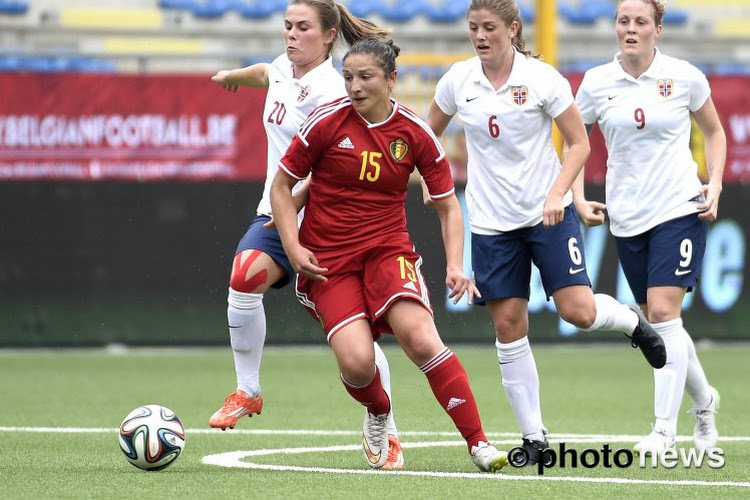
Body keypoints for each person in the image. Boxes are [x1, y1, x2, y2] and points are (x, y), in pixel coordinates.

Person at [425, 0, 667, 465]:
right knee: (508, 324)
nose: (480, 36)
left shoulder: (542, 79)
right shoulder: (458, 80)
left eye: (489, 28)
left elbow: (578, 142)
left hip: (546, 215)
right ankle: (533, 437)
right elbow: (425, 134)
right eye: (473, 27)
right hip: (493, 223)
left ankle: (632, 322)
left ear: (512, 29)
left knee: (577, 311)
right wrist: (433, 178)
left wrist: (559, 193)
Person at [270, 37, 509, 472]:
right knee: (359, 365)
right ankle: (379, 412)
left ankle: (479, 444)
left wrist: (456, 265)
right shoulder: (325, 123)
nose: (355, 87)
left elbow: (448, 206)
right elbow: (281, 187)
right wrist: (293, 245)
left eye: (366, 77)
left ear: (391, 80)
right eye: (348, 78)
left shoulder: (416, 133)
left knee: (421, 338)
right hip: (329, 261)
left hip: (388, 251)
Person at [208, 0, 404, 469]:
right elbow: (267, 73)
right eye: (287, 27)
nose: (290, 36)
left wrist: (293, 204)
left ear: (329, 35)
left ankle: (386, 425)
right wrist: (237, 74)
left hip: (328, 219)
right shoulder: (282, 67)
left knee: (355, 338)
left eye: (302, 28)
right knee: (244, 276)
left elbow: (335, 160)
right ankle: (248, 391)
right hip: (278, 212)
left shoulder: (336, 91)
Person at [574, 0, 725, 454]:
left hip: (679, 206)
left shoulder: (685, 76)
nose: (631, 29)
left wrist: (714, 183)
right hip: (627, 215)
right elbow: (575, 141)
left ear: (658, 29)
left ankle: (663, 431)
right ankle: (706, 401)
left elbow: (715, 132)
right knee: (661, 324)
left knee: (662, 312)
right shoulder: (596, 83)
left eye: (641, 21)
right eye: (624, 21)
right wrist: (577, 196)